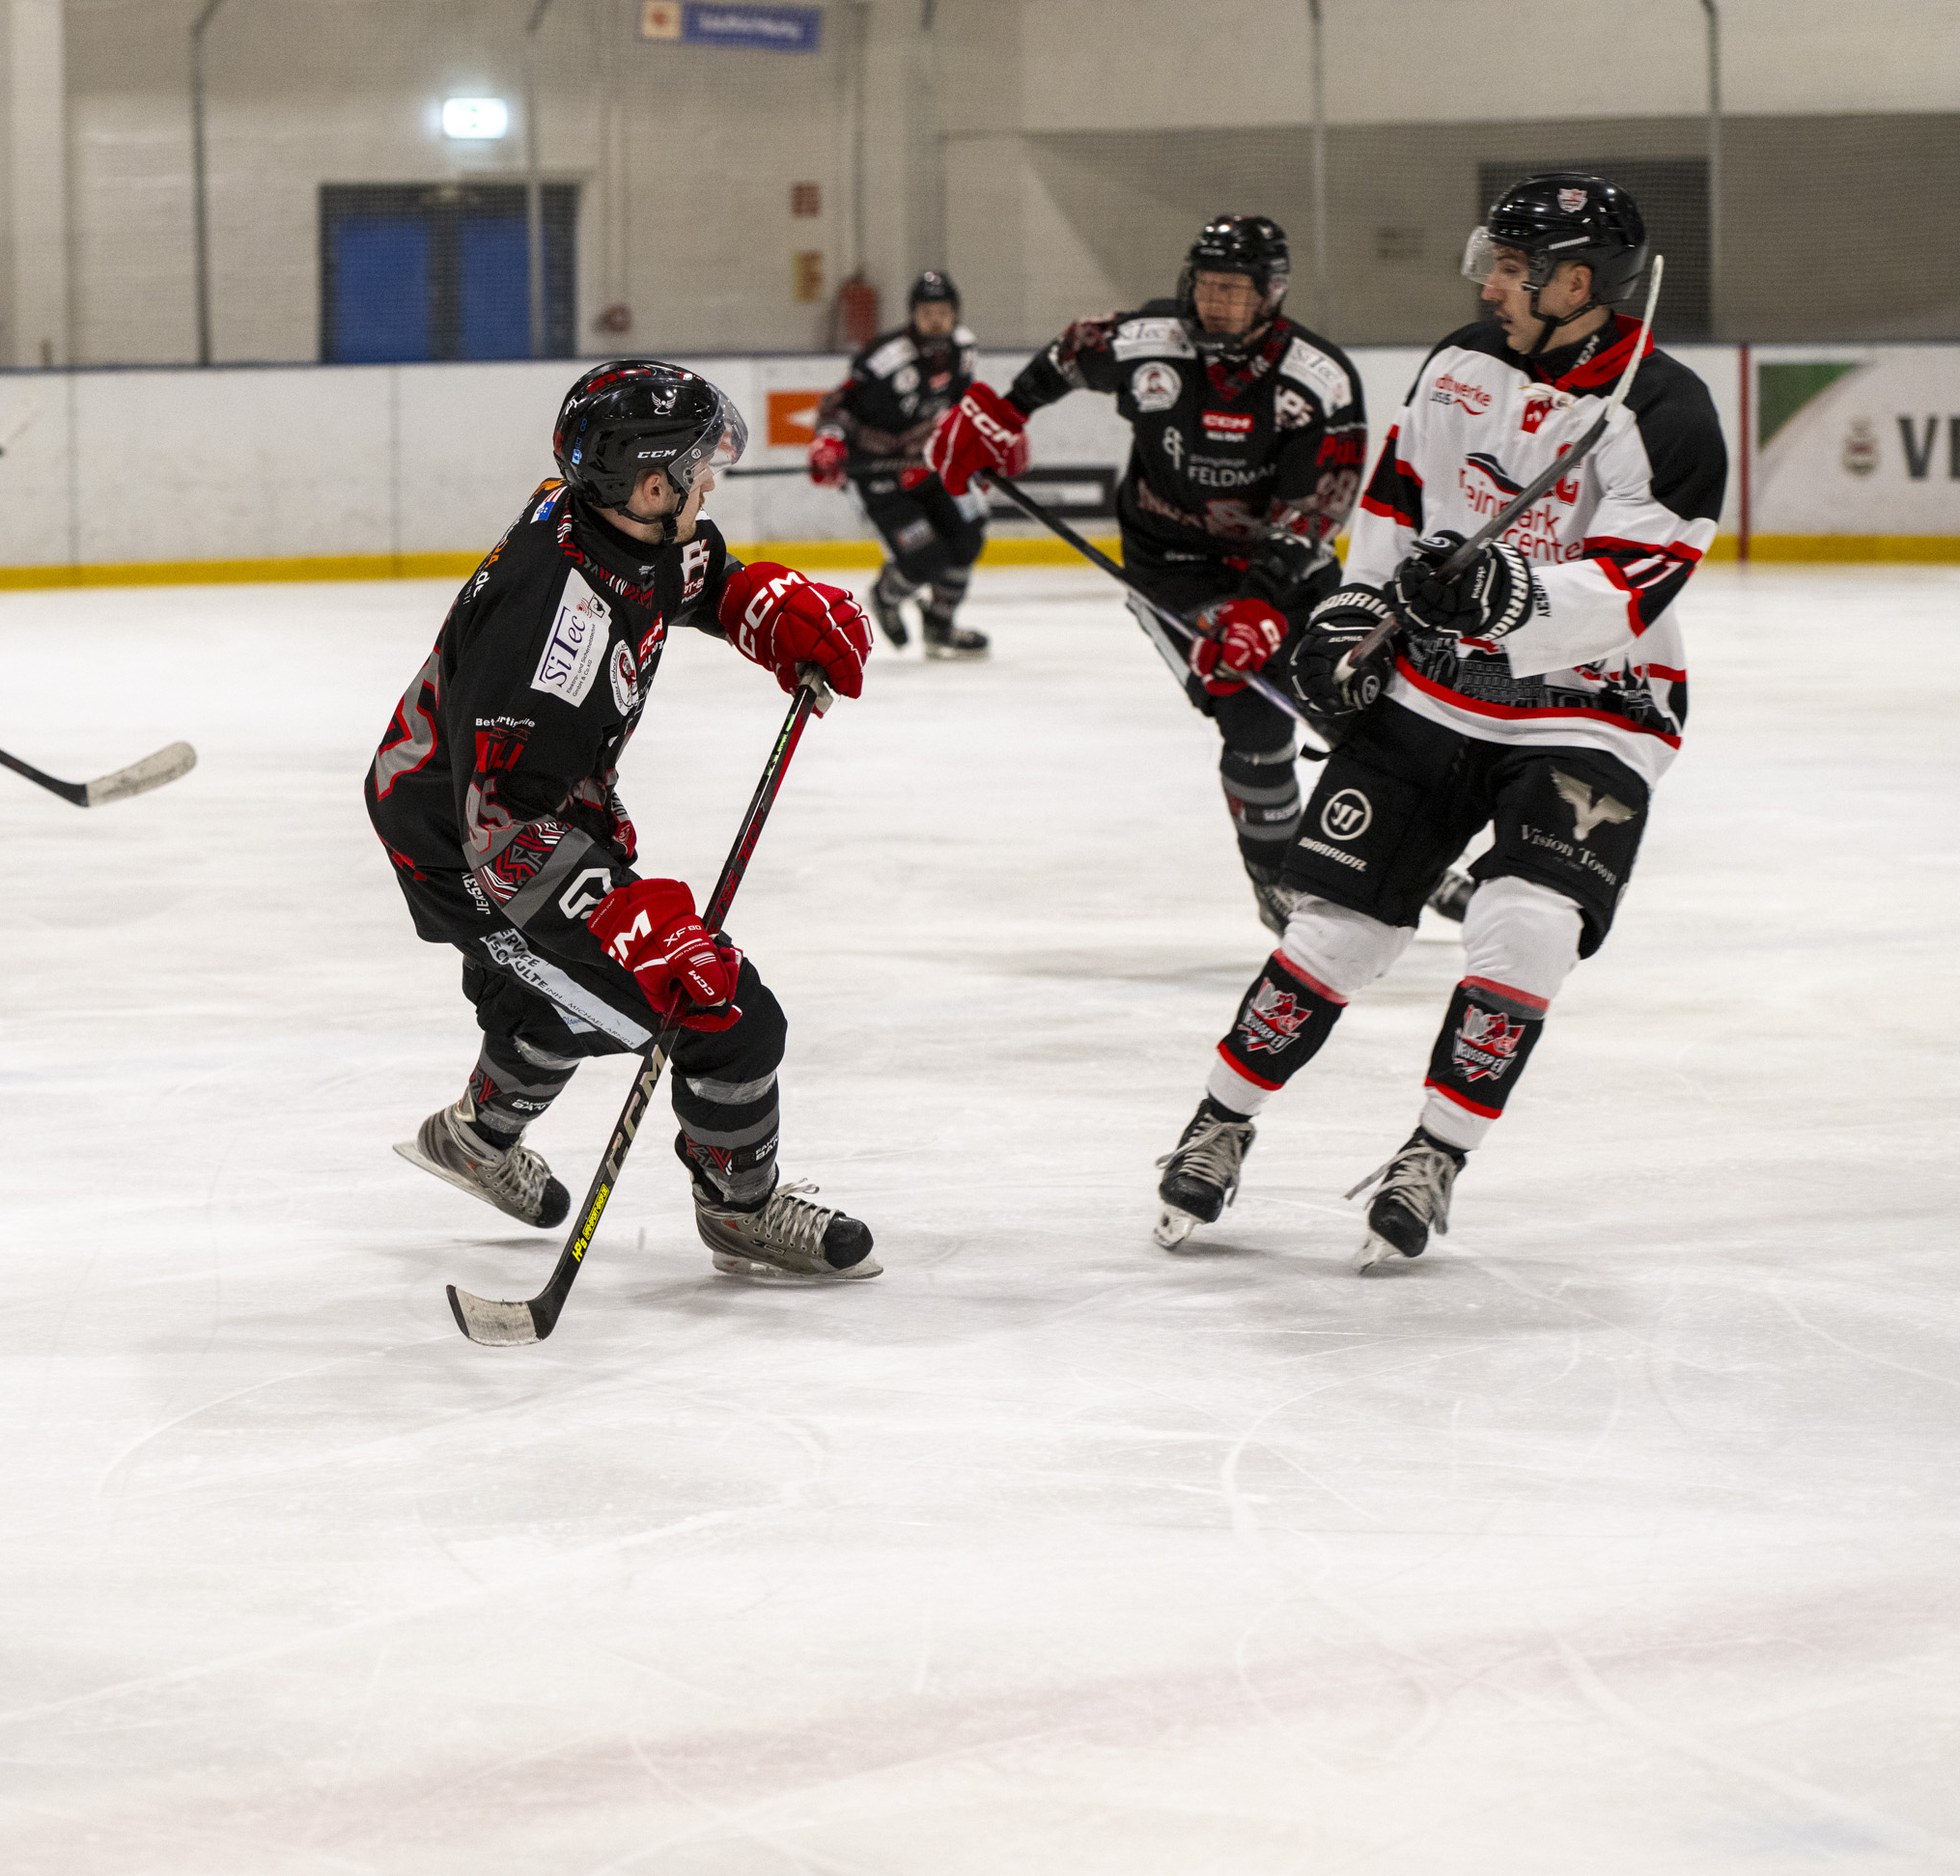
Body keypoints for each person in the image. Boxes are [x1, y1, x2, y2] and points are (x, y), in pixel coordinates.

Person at [1146, 173, 1724, 1271]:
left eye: (1514, 268)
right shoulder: (1460, 363)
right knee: (1336, 931)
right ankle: (1221, 1119)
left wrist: (1522, 600)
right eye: (1495, 263)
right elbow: (1398, 500)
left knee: (1528, 924)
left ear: (1578, 283)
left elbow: (1644, 576)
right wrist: (1358, 606)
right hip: (1434, 688)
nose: (1492, 283)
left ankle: (1437, 1151)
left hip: (1594, 709)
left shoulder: (1667, 407)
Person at [369, 359, 882, 1278]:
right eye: (696, 466)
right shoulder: (552, 633)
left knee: (577, 1004)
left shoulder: (597, 518)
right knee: (720, 1011)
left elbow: (681, 571)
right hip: (469, 850)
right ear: (651, 484)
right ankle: (742, 1211)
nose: (709, 480)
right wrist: (614, 914)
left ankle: (475, 1141)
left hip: (513, 805)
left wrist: (753, 604)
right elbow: (501, 829)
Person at [928, 216, 1374, 933]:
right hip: (1171, 568)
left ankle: (1382, 845)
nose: (1215, 302)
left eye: (1234, 289)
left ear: (1271, 295)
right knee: (1254, 714)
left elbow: (1315, 512)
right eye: (1206, 285)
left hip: (1280, 566)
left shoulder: (1317, 383)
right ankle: (1280, 878)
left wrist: (1260, 603)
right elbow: (1072, 351)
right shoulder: (1150, 342)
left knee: (1348, 703)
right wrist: (1001, 413)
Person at [807, 270, 991, 659]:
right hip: (877, 471)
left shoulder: (964, 346)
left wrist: (976, 445)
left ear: (955, 313)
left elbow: (961, 404)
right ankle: (884, 596)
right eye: (928, 311)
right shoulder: (885, 356)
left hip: (927, 465)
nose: (936, 318)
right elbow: (835, 406)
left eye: (944, 310)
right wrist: (828, 441)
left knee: (967, 538)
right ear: (913, 315)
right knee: (924, 558)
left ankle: (939, 627)